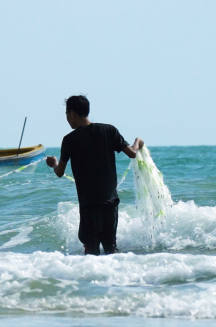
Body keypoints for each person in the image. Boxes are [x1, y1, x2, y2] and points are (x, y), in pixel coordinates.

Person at [46, 95, 144, 255]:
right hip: (110, 204)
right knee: (111, 248)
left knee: (91, 251)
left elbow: (60, 172)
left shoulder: (70, 139)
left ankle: (91, 277)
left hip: (88, 206)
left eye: (66, 114)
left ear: (72, 114)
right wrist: (138, 141)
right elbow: (132, 153)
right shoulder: (109, 130)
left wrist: (53, 164)